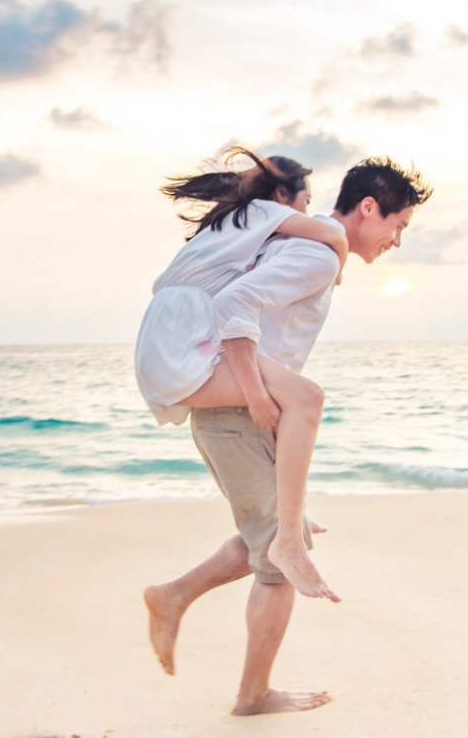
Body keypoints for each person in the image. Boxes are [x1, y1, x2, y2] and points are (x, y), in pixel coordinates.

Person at [143, 156, 432, 716]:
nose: (397, 241)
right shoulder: (316, 253)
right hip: (237, 409)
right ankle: (252, 695)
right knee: (279, 562)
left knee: (274, 535)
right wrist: (254, 397)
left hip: (237, 404)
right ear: (369, 209)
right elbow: (234, 304)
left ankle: (173, 595)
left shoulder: (308, 244)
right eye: (398, 226)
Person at [135, 148, 346, 603]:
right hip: (182, 340)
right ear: (283, 194)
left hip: (168, 334)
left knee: (296, 398)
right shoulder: (263, 211)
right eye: (304, 202)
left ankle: (290, 520)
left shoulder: (228, 225)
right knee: (304, 399)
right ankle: (288, 536)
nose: (303, 214)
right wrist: (341, 258)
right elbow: (328, 231)